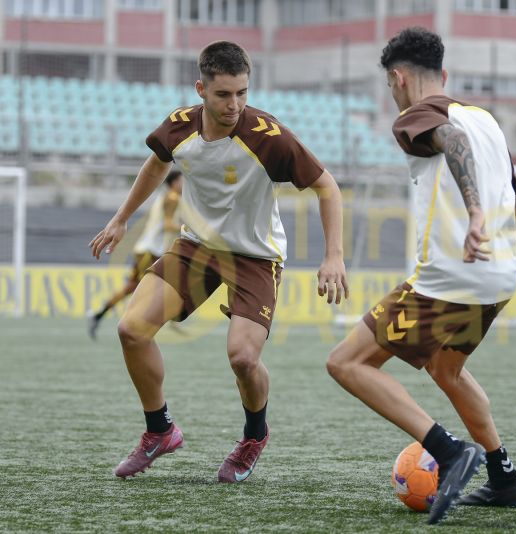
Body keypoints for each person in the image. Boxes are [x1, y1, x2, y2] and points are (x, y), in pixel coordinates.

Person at [90, 41, 348, 483]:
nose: (235, 105)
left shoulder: (268, 137)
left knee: (243, 359)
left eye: (242, 93)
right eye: (224, 94)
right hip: (196, 247)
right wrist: (121, 218)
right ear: (201, 90)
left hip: (255, 255)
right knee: (131, 330)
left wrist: (334, 256)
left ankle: (253, 436)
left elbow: (328, 186)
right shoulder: (179, 128)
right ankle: (159, 430)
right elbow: (155, 166)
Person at [326, 27, 516, 524]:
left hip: (451, 280)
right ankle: (505, 478)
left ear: (399, 79)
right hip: (499, 276)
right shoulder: (485, 119)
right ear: (444, 74)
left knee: (347, 363)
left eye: (390, 85)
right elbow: (509, 186)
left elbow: (449, 139)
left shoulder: (415, 115)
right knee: (446, 369)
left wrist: (474, 214)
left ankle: (449, 449)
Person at [87, 169, 184, 340]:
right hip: (150, 251)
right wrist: (188, 228)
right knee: (151, 287)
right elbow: (169, 225)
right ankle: (138, 322)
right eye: (182, 181)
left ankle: (99, 315)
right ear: (174, 183)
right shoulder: (172, 198)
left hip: (148, 250)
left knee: (136, 287)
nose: (184, 185)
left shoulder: (167, 197)